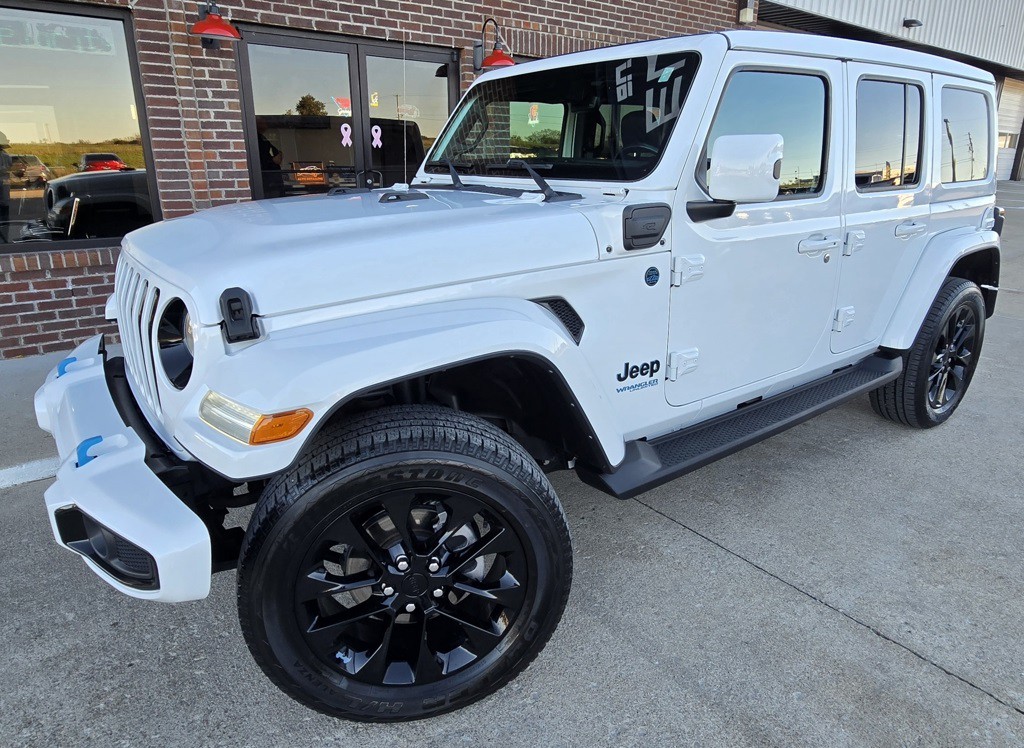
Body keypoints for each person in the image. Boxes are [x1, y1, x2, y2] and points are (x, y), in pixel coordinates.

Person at [255, 120, 285, 198]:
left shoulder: (261, 138)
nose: (266, 125)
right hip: (269, 181)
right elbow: (276, 159)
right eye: (263, 123)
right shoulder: (258, 139)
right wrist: (277, 155)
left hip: (270, 180)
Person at [0, 131, 11, 243]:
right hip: (4, 196)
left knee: (4, 219)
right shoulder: (6, 156)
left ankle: (4, 241)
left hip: (4, 196)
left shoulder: (6, 156)